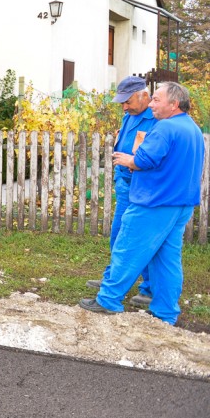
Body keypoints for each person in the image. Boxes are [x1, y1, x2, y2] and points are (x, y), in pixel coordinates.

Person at [79, 82, 205, 325]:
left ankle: (108, 300)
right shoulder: (192, 128)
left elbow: (144, 161)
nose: (152, 104)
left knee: (127, 248)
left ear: (173, 104)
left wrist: (128, 160)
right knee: (166, 259)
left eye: (157, 100)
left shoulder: (165, 127)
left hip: (154, 202)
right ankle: (165, 312)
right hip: (181, 204)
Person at [86, 75, 156, 306]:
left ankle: (149, 289)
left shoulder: (156, 119)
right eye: (123, 103)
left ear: (143, 96)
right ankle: (112, 278)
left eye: (128, 102)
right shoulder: (129, 116)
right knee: (118, 234)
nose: (124, 107)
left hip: (143, 186)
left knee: (141, 237)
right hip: (125, 184)